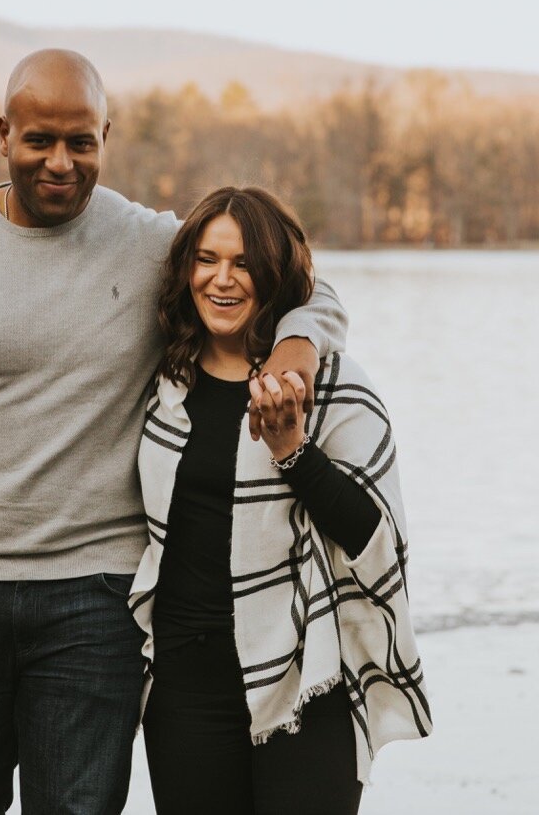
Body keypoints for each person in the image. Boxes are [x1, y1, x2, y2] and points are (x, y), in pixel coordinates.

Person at [0, 50, 347, 815]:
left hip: (97, 603)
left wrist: (299, 341)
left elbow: (294, 277)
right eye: (40, 140)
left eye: (82, 142)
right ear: (4, 134)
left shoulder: (150, 246)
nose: (60, 161)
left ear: (106, 137)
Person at [130, 186, 430, 815]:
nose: (222, 279)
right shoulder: (165, 381)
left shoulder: (333, 383)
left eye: (244, 263)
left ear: (274, 275)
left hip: (305, 680)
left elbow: (374, 535)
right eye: (207, 260)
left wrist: (293, 450)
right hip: (186, 689)